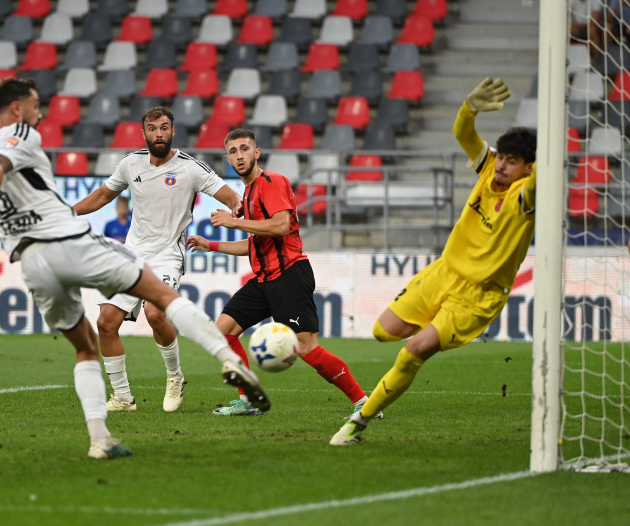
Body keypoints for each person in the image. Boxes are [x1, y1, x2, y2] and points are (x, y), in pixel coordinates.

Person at [0, 77, 269, 459]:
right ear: (18, 110)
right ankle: (224, 362)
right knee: (138, 310)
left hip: (33, 259)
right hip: (70, 243)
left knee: (93, 340)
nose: (41, 115)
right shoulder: (23, 134)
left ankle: (104, 436)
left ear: (172, 131)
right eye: (37, 106)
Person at [330, 77, 537, 445]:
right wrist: (469, 107)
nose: (503, 165)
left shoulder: (526, 194)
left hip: (478, 295)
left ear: (529, 168)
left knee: (413, 351)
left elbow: (548, 173)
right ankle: (427, 334)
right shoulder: (489, 169)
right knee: (383, 332)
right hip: (443, 272)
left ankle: (357, 421)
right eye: (502, 157)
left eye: (513, 161)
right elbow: (463, 133)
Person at [185, 128, 378, 418]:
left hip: (288, 275)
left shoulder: (271, 182)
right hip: (264, 279)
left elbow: (280, 226)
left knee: (307, 348)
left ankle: (364, 402)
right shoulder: (248, 193)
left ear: (257, 152)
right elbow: (255, 244)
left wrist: (234, 223)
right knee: (223, 331)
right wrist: (210, 244)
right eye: (233, 152)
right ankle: (248, 400)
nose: (239, 156)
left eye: (244, 148)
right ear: (227, 159)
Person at [73, 107, 242, 414]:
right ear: (144, 133)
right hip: (131, 254)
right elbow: (101, 196)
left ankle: (175, 376)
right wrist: (68, 213)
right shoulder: (130, 163)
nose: (159, 134)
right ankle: (123, 397)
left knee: (155, 313)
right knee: (105, 323)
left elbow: (231, 196)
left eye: (164, 128)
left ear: (173, 131)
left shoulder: (191, 168)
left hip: (167, 256)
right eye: (153, 129)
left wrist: (236, 214)